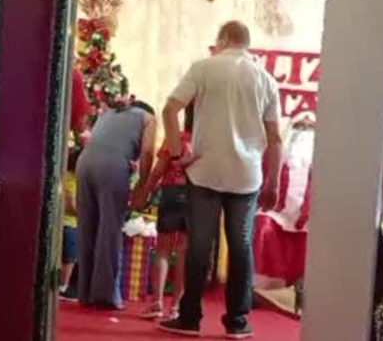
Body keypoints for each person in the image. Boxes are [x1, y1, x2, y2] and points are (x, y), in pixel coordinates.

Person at [159, 21, 283, 340]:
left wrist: (177, 153)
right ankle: (237, 322)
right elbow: (275, 138)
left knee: (199, 246)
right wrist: (274, 184)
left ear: (224, 39)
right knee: (241, 247)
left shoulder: (203, 68)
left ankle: (189, 318)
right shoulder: (266, 79)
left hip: (205, 171)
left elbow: (170, 109)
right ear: (246, 43)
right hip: (246, 176)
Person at [76, 99, 157, 309]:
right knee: (109, 229)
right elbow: (148, 152)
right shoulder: (148, 118)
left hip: (84, 163)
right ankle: (105, 295)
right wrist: (142, 184)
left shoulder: (109, 113)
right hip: (111, 167)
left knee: (87, 227)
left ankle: (84, 292)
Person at [136, 104, 195, 320]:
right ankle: (176, 307)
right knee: (184, 252)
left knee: (163, 249)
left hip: (171, 194)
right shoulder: (207, 141)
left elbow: (159, 170)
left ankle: (157, 302)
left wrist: (145, 191)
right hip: (196, 196)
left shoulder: (175, 137)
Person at [60, 147, 81, 300]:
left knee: (70, 256)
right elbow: (70, 205)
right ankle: (63, 287)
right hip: (68, 223)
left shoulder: (72, 178)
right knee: (69, 257)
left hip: (71, 223)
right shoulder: (70, 179)